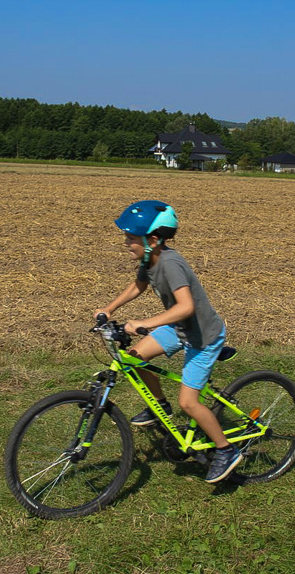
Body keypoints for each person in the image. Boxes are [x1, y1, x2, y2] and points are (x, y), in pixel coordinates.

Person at [94, 200, 242, 483]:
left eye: (130, 237)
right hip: (178, 328)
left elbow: (186, 307)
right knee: (132, 358)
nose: (125, 242)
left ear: (152, 239)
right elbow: (139, 285)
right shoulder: (148, 258)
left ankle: (226, 450)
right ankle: (160, 405)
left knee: (189, 402)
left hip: (201, 337)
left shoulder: (171, 263)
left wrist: (145, 323)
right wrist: (109, 308)